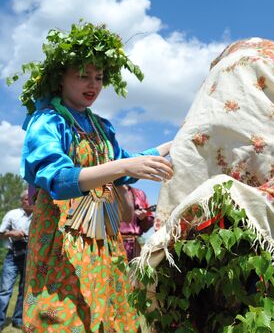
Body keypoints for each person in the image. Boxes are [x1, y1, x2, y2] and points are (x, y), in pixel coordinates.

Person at [14, 22, 173, 332]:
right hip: (60, 237)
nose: (93, 84)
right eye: (83, 75)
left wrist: (171, 145)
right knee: (64, 313)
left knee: (107, 312)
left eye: (99, 77)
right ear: (60, 79)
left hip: (101, 236)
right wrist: (124, 168)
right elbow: (59, 180)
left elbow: (123, 162)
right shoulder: (47, 121)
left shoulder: (101, 126)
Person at [0, 190, 33, 329]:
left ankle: (17, 319)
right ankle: (0, 321)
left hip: (29, 256)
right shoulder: (12, 214)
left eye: (31, 199)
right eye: (26, 199)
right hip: (12, 257)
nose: (29, 201)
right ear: (22, 201)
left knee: (23, 289)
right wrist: (12, 233)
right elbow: (1, 233)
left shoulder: (39, 216)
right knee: (5, 289)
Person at [119, 185, 155, 261]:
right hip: (113, 243)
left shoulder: (139, 194)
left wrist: (143, 218)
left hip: (134, 247)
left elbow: (145, 228)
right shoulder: (107, 192)